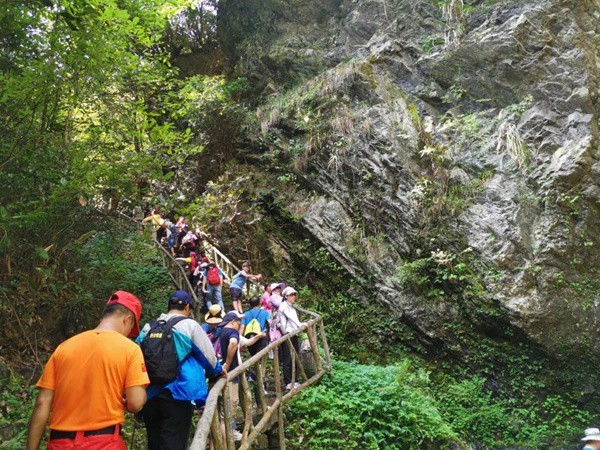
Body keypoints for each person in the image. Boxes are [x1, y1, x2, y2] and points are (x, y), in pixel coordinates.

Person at [26, 291, 149, 450]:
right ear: (128, 320)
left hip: (60, 443)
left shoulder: (64, 348)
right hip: (104, 443)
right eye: (130, 329)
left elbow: (42, 402)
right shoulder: (130, 349)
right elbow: (135, 403)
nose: (128, 335)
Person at [137, 290, 225, 450]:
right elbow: (208, 357)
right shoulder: (189, 325)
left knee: (155, 443)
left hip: (149, 394)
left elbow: (136, 356)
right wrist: (217, 370)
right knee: (174, 442)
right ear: (187, 307)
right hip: (178, 393)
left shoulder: (148, 327)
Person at [279, 286, 305, 390]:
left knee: (295, 356)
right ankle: (288, 382)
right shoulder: (284, 306)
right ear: (286, 296)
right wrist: (301, 325)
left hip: (294, 334)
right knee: (288, 358)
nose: (293, 296)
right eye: (291, 295)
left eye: (294, 294)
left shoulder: (291, 306)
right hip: (287, 334)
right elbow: (292, 318)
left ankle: (295, 380)